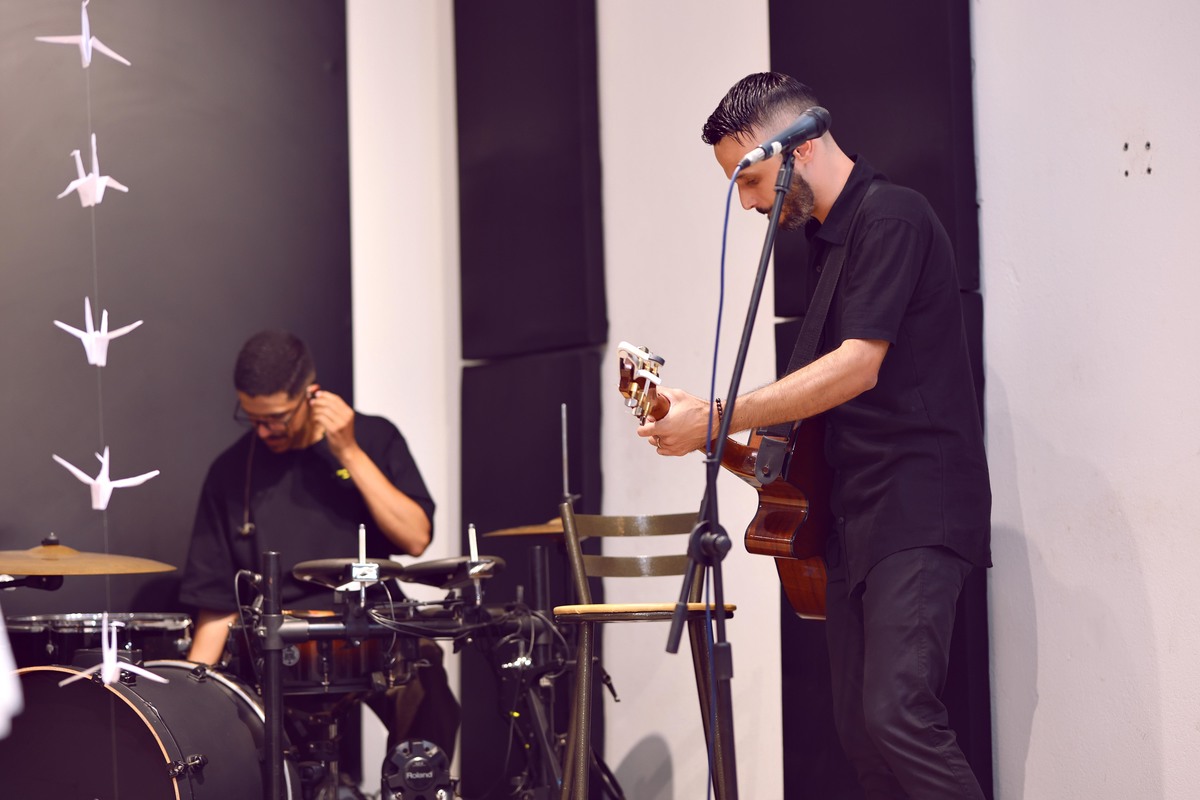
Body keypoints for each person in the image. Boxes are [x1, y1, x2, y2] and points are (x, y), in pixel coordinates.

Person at [638, 73, 992, 799]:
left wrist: (717, 415)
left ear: (800, 145)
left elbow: (858, 367)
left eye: (751, 179)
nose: (747, 203)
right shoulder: (826, 245)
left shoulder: (892, 217)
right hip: (855, 517)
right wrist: (709, 436)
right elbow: (819, 430)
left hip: (916, 508)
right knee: (863, 738)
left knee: (899, 716)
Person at [179, 329, 459, 760]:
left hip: (375, 627)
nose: (264, 430)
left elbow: (416, 538)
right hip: (281, 643)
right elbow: (216, 605)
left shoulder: (374, 437)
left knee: (428, 691)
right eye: (252, 417)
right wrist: (191, 693)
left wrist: (348, 452)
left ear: (311, 395)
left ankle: (416, 786)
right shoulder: (231, 472)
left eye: (277, 418)